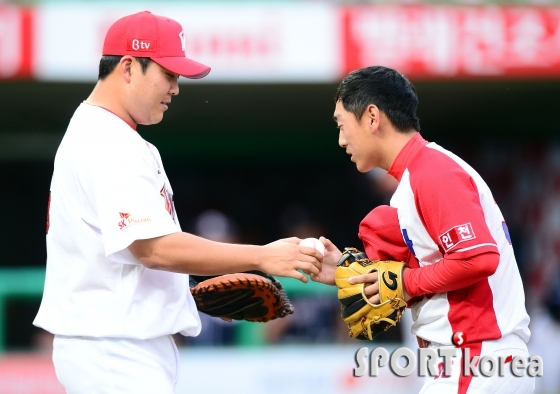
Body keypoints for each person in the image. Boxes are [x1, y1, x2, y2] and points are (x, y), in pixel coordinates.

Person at [32, 11, 322, 394]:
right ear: (129, 66)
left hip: (119, 344)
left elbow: (133, 258)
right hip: (113, 350)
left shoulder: (111, 135)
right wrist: (262, 256)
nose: (176, 88)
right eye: (168, 74)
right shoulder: (106, 141)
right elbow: (153, 249)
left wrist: (178, 294)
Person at [312, 66, 534, 393]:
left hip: (476, 357)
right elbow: (426, 268)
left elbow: (478, 259)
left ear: (372, 117)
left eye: (342, 125)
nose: (341, 139)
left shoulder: (431, 172)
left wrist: (403, 283)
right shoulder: (416, 177)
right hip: (470, 360)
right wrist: (348, 271)